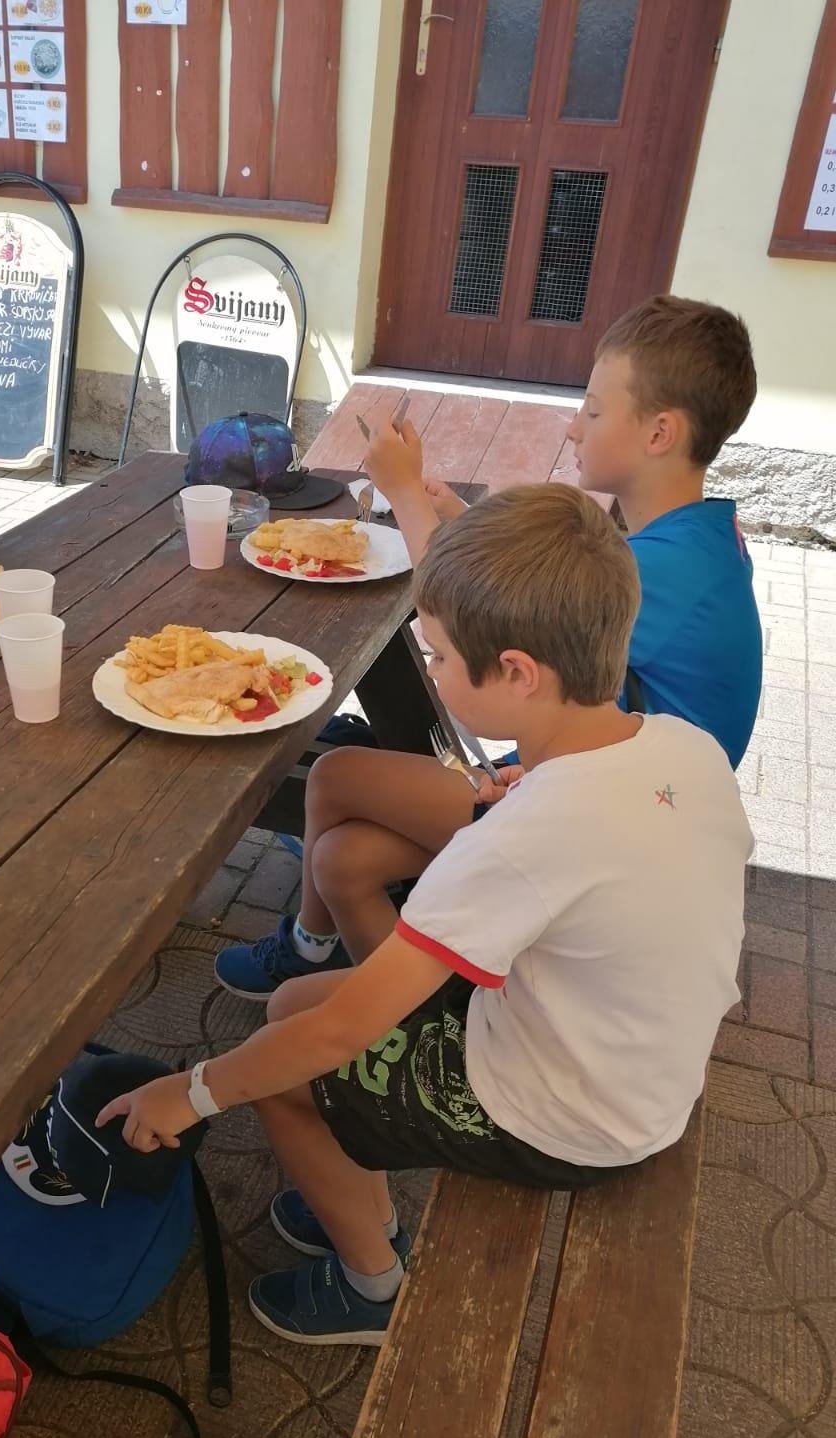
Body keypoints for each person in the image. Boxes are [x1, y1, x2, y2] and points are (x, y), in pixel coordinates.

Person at [97, 485, 752, 1345]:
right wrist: (537, 785)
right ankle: (347, 1185)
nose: (431, 670)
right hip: (637, 1066)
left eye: (437, 656)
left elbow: (340, 1036)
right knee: (293, 1004)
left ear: (518, 673)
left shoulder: (517, 842)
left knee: (282, 1069)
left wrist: (189, 1094)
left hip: (570, 1117)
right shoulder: (684, 747)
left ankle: (371, 1285)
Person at [215, 294, 762, 998]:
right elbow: (541, 604)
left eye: (594, 411)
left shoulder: (659, 569)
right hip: (613, 794)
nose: (573, 427)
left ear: (660, 433)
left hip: (606, 821)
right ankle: (409, 1001)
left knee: (336, 779)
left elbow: (471, 626)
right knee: (344, 855)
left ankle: (338, 966)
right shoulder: (699, 540)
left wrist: (405, 493)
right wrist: (460, 520)